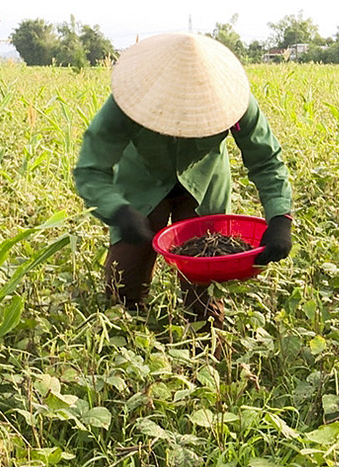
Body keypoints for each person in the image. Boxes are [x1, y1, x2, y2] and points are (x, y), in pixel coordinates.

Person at [74, 33, 293, 329]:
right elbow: (90, 168)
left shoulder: (234, 101)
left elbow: (266, 160)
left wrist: (280, 217)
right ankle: (133, 347)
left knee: (204, 296)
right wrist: (117, 210)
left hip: (203, 188)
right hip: (142, 185)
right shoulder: (128, 101)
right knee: (123, 290)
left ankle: (205, 351)